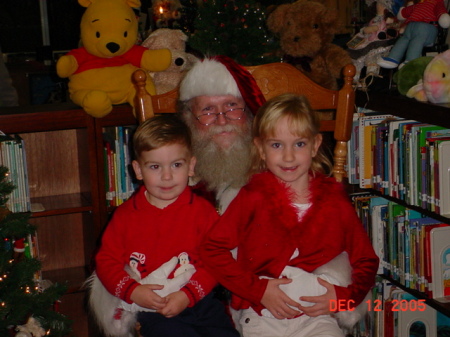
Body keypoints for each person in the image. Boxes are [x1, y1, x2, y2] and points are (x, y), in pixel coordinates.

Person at [200, 94, 379, 337]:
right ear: (261, 149)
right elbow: (213, 250)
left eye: (299, 144)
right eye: (276, 145)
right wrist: (259, 291)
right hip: (262, 313)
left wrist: (342, 299)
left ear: (315, 145)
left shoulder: (334, 202)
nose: (288, 156)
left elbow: (366, 260)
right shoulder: (252, 197)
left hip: (316, 317)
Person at [94, 115, 239, 337]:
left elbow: (216, 260)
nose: (167, 176)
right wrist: (133, 291)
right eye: (155, 166)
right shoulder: (125, 216)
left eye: (176, 165)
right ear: (138, 170)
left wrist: (187, 295)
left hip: (201, 301)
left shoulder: (203, 212)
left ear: (191, 166)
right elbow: (105, 262)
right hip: (154, 307)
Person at [178, 55, 266, 214]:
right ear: (189, 118)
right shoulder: (173, 175)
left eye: (231, 106)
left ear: (249, 112)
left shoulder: (277, 167)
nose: (222, 121)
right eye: (208, 110)